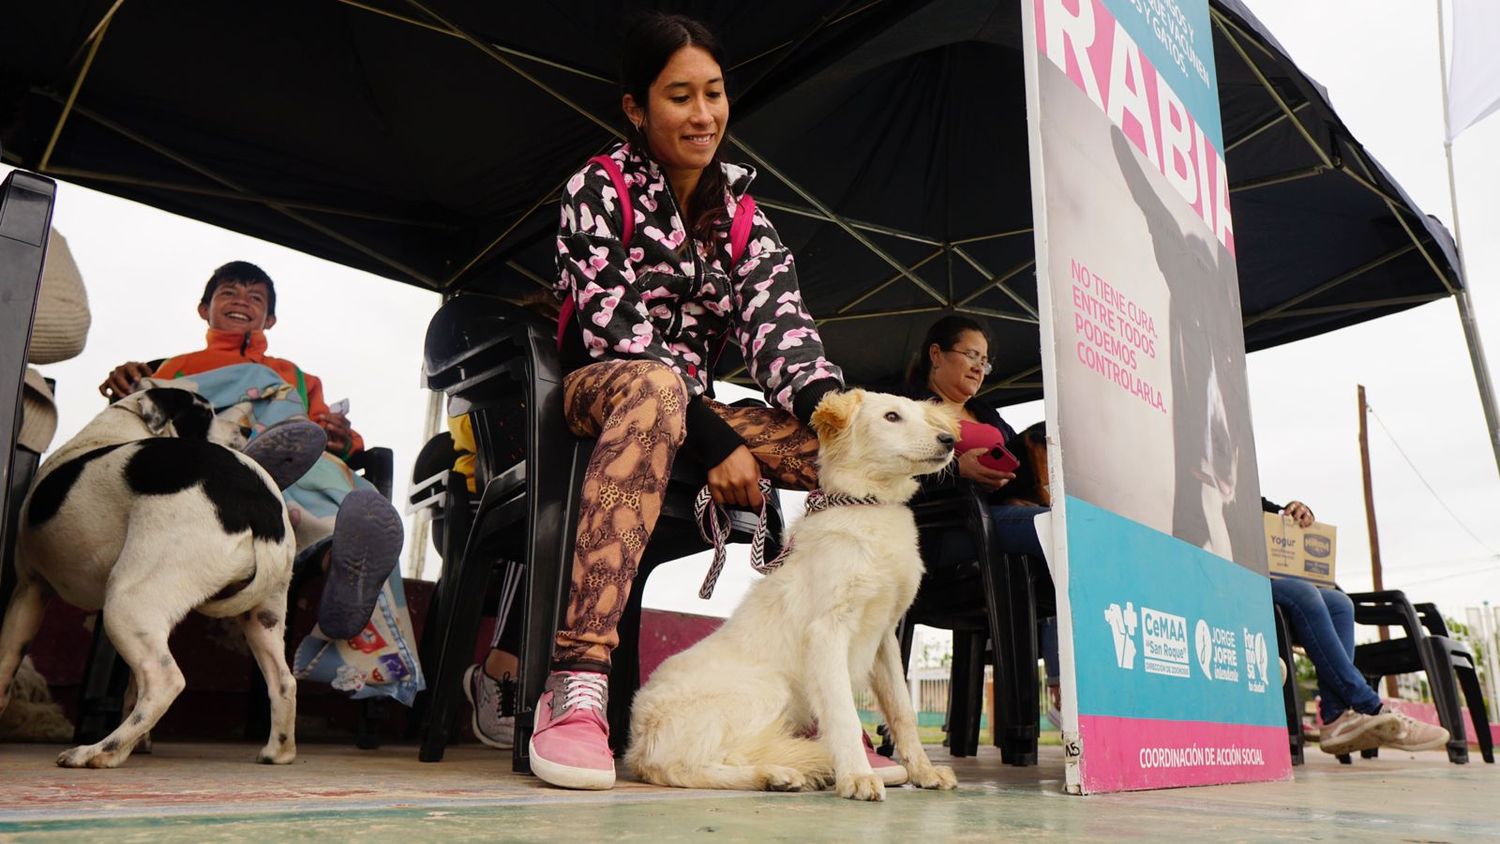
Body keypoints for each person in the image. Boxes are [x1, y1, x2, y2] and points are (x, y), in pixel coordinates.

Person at [529, 11, 858, 791]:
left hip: (699, 410)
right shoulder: (598, 188)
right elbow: (620, 338)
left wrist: (835, 413)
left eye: (714, 93)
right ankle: (577, 688)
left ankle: (826, 708)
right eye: (680, 96)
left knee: (848, 455)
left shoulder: (745, 218)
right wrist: (719, 445)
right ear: (636, 108)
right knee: (654, 385)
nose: (704, 114)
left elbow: (785, 337)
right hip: (604, 393)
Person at [98, 261, 422, 705]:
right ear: (203, 309)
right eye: (229, 293)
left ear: (269, 319)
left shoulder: (301, 379)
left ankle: (339, 563)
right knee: (280, 476)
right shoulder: (172, 369)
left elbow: (337, 439)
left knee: (326, 478)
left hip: (301, 478)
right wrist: (128, 387)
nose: (241, 303)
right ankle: (262, 480)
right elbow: (137, 423)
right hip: (205, 476)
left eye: (255, 299)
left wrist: (346, 439)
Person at [900, 315, 1063, 721]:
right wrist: (957, 469)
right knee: (1060, 534)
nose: (979, 366)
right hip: (943, 532)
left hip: (997, 526)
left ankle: (1078, 693)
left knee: (1069, 542)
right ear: (936, 355)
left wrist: (1022, 491)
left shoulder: (987, 413)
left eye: (985, 360)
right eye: (970, 354)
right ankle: (1060, 694)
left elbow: (1015, 467)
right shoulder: (907, 410)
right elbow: (889, 473)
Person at [1263, 498, 1449, 755]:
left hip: (1275, 578)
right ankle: (1372, 706)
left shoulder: (1245, 489)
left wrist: (1298, 513)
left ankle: (1335, 717)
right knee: (1305, 593)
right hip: (1237, 578)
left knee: (1340, 603)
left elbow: (1276, 515)